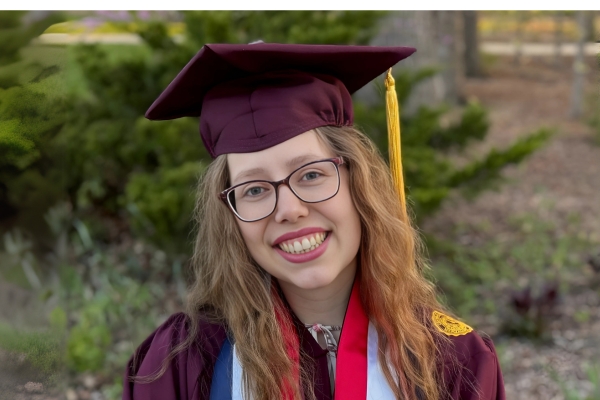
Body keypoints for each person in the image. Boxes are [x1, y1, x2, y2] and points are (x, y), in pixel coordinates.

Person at [122, 43, 505, 400]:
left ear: (359, 183)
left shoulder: (455, 361)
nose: (289, 209)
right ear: (230, 215)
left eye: (311, 175)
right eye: (254, 189)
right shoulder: (181, 362)